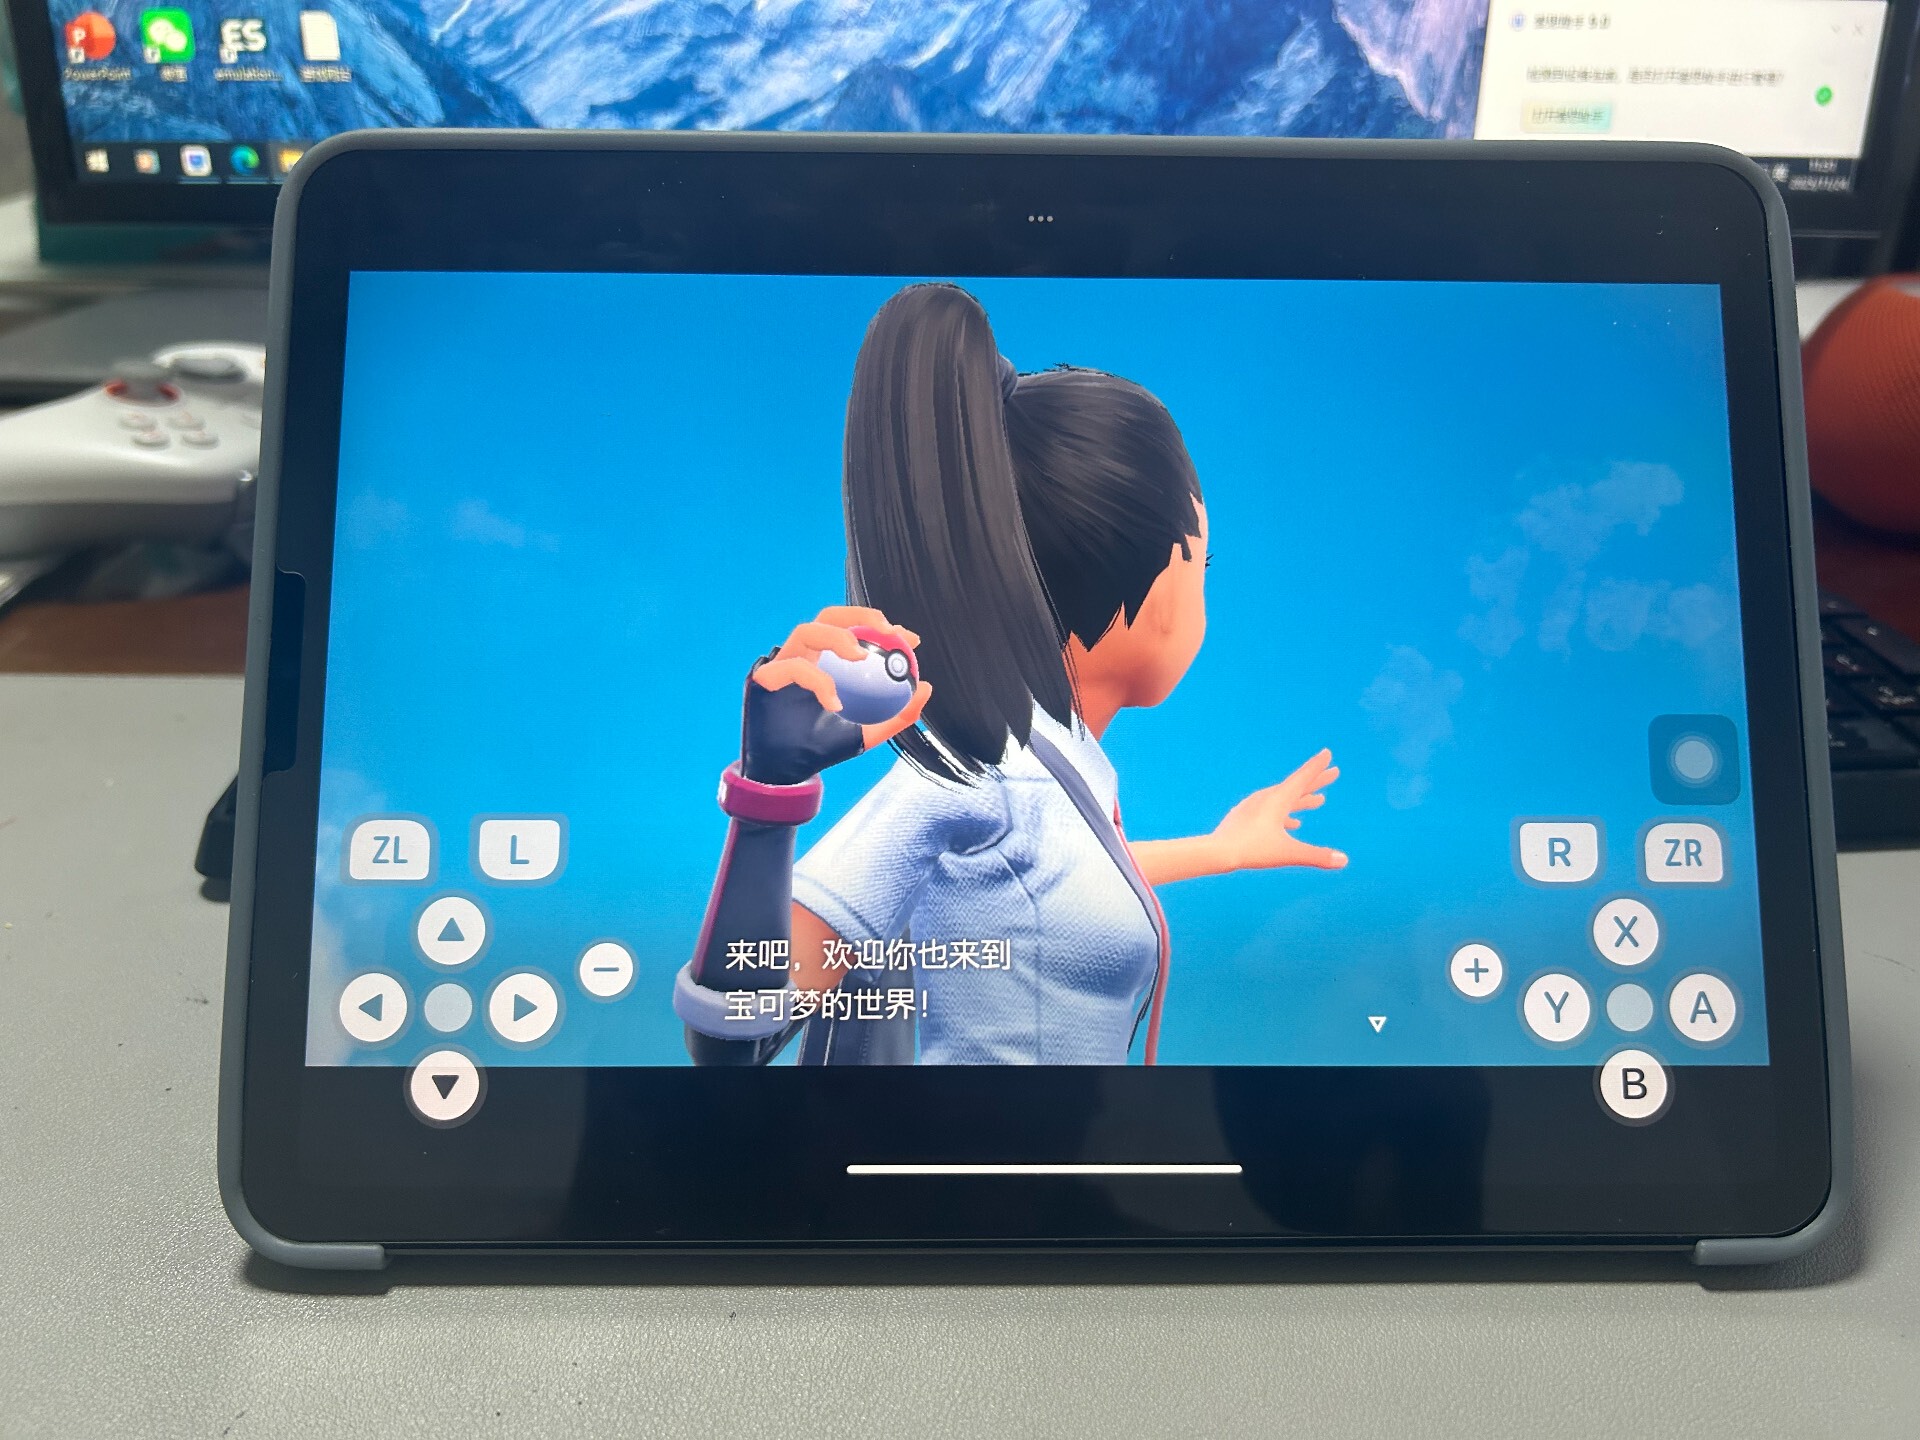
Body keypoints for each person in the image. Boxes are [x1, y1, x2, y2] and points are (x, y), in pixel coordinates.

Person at [674, 283, 1344, 1065]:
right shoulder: (977, 771)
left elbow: (1048, 889)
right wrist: (769, 795)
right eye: (1201, 562)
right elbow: (737, 1033)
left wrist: (1224, 848)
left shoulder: (1057, 762)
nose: (1202, 597)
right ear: (1146, 574)